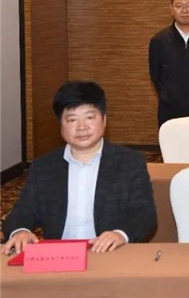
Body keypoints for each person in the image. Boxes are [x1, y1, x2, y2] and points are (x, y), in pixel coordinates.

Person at [2, 81, 156, 254]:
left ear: (104, 120)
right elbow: (22, 211)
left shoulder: (129, 162)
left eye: (89, 117)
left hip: (109, 254)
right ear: (60, 125)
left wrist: (120, 234)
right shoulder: (44, 166)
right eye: (72, 119)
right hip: (59, 257)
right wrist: (20, 231)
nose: (82, 127)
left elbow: (144, 213)